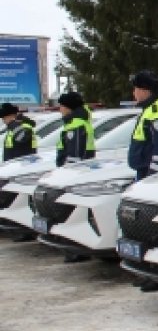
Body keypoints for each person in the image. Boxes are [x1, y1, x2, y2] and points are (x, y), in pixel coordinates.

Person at [127, 71, 158, 291]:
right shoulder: (149, 111)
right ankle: (149, 271)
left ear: (145, 90)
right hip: (144, 176)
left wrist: (152, 181)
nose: (133, 93)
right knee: (144, 226)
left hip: (152, 178)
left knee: (154, 227)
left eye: (136, 88)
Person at [53, 92, 97, 262]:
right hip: (74, 174)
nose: (60, 109)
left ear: (68, 107)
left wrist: (67, 173)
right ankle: (76, 249)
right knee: (74, 213)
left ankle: (78, 250)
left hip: (75, 176)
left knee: (75, 213)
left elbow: (75, 155)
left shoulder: (77, 125)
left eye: (62, 106)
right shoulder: (75, 123)